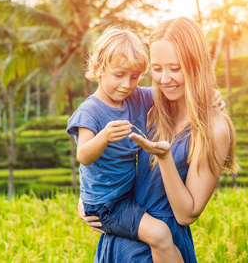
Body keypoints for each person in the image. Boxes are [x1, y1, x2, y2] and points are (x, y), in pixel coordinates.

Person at [80, 17, 239, 262]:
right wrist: (89, 200)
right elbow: (111, 161)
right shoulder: (152, 111)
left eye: (175, 68)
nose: (164, 79)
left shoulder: (213, 127)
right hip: (121, 240)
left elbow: (187, 214)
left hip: (161, 247)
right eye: (157, 69)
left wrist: (164, 157)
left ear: (196, 65)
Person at [67, 26, 185, 262]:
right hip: (107, 204)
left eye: (134, 76)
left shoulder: (136, 97)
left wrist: (211, 94)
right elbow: (83, 156)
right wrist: (104, 137)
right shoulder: (91, 112)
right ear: (100, 68)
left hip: (128, 193)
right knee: (160, 234)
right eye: (119, 75)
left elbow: (172, 92)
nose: (127, 84)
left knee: (165, 232)